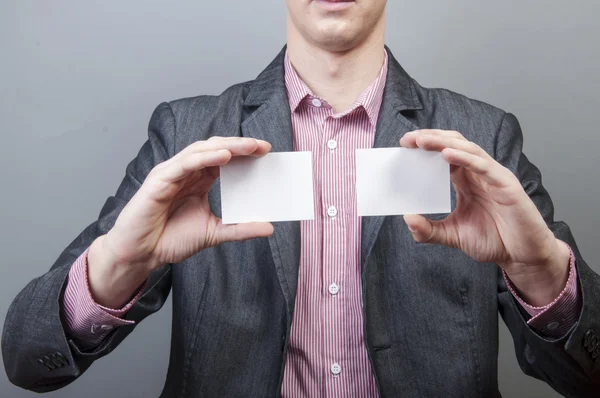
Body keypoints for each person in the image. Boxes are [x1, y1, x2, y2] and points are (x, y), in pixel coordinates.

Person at [3, 0, 599, 396]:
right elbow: (27, 360)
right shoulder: (187, 137)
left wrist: (543, 276)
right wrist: (118, 267)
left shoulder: (483, 139)